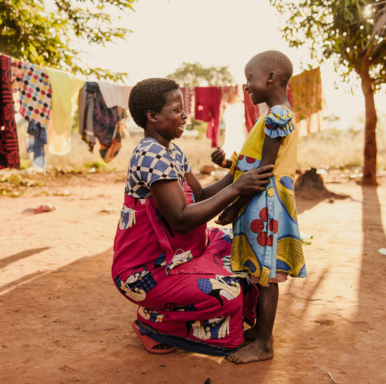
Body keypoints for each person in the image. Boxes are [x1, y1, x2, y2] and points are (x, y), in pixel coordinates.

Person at [111, 78, 275, 357]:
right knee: (228, 292)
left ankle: (165, 311)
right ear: (152, 117)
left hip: (179, 255)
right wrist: (237, 187)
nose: (185, 115)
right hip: (146, 270)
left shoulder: (171, 151)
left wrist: (234, 174)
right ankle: (154, 323)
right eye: (176, 109)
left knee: (243, 253)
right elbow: (181, 219)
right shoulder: (150, 154)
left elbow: (199, 195)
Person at [211, 50, 307, 364]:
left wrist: (235, 208)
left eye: (250, 78)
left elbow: (265, 170)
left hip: (266, 205)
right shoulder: (270, 116)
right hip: (261, 204)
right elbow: (254, 162)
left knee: (266, 277)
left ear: (271, 78)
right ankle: (260, 333)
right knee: (259, 273)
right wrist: (228, 162)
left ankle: (265, 344)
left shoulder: (278, 115)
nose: (247, 85)